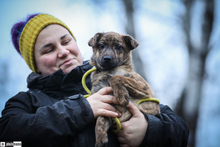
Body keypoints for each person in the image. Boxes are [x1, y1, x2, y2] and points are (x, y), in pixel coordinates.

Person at [0, 13, 189, 147]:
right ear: (35, 65)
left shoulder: (113, 77)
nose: (63, 51)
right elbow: (7, 142)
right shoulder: (25, 102)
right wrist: (82, 108)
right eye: (49, 49)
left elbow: (181, 132)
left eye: (66, 42)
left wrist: (148, 130)